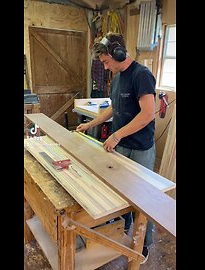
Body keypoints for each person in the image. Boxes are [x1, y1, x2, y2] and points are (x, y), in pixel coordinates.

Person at [76, 32, 156, 263]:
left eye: (106, 61)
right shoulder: (118, 77)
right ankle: (123, 229)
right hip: (122, 145)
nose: (106, 67)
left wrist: (116, 135)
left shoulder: (141, 75)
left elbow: (148, 114)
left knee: (143, 200)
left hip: (139, 148)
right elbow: (114, 108)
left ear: (117, 53)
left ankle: (144, 244)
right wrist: (90, 123)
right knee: (121, 193)